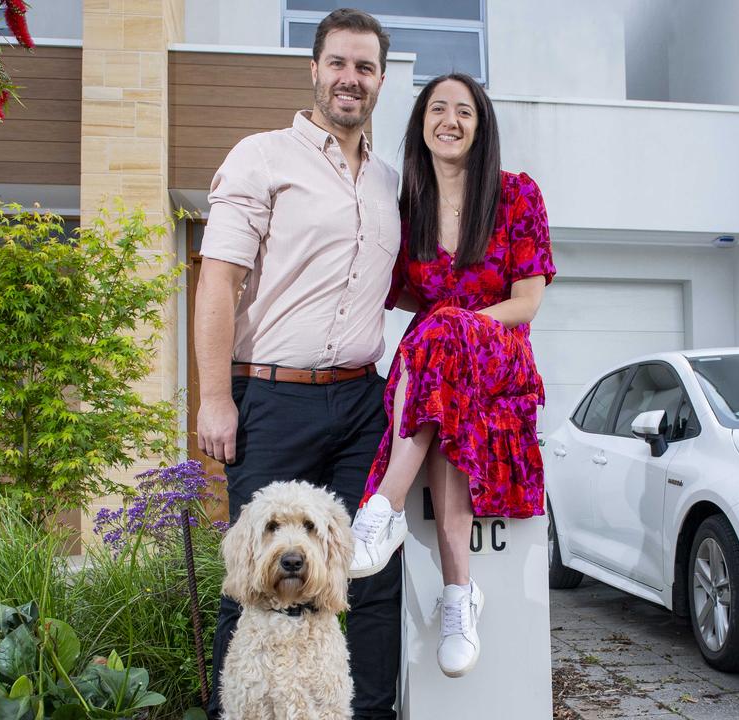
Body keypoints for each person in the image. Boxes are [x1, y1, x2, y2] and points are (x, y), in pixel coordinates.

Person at [193, 9, 402, 719]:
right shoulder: (262, 156)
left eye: (365, 67)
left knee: (370, 576)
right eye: (338, 63)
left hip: (361, 405)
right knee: (252, 579)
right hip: (272, 399)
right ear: (314, 70)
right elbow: (217, 279)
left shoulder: (389, 183)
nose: (351, 78)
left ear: (380, 80)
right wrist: (214, 398)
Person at [346, 72, 555, 678]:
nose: (451, 120)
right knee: (441, 398)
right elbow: (397, 292)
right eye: (438, 108)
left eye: (465, 111)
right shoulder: (409, 208)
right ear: (421, 125)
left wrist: (455, 325)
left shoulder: (517, 194)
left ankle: (380, 510)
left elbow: (526, 303)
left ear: (481, 126)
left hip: (502, 356)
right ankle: (459, 594)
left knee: (438, 335)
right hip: (444, 375)